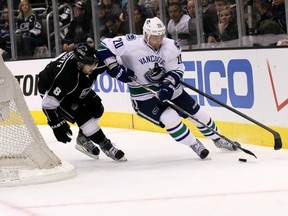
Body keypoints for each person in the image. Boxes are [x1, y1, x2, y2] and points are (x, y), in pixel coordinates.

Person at [97, 17, 237, 160]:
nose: (158, 41)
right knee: (170, 117)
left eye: (161, 36)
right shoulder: (130, 43)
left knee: (198, 114)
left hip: (170, 91)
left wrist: (168, 87)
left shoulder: (171, 46)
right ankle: (194, 143)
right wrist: (115, 69)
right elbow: (103, 47)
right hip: (144, 97)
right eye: (154, 38)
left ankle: (219, 139)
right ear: (146, 35)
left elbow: (176, 71)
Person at [38, 43, 127, 161]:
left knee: (97, 107)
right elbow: (47, 104)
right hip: (53, 91)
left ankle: (83, 139)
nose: (94, 68)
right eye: (90, 65)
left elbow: (110, 59)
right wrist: (55, 123)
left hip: (75, 86)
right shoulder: (66, 77)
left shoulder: (90, 61)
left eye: (95, 64)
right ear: (79, 63)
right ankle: (107, 146)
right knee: (83, 117)